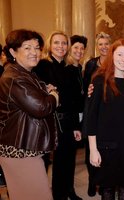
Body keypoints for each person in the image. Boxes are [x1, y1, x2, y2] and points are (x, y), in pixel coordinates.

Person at [0, 29, 59, 200]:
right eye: (27, 48)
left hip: (25, 148)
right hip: (20, 151)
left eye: (37, 47)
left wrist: (46, 93)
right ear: (12, 51)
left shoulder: (26, 73)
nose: (34, 52)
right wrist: (54, 96)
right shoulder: (14, 77)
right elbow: (41, 107)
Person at [84, 38, 124, 200]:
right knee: (107, 189)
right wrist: (93, 150)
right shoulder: (99, 80)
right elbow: (92, 117)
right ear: (112, 55)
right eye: (120, 54)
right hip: (106, 147)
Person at [34, 31, 82, 200]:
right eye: (56, 43)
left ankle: (70, 190)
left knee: (69, 160)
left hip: (69, 121)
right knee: (55, 163)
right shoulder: (42, 66)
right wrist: (46, 89)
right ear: (50, 45)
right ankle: (58, 195)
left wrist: (77, 126)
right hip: (50, 122)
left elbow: (75, 100)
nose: (60, 46)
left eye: (63, 43)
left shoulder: (70, 68)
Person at [83, 31, 111, 197]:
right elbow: (86, 88)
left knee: (105, 151)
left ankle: (104, 183)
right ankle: (93, 181)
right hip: (93, 111)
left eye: (106, 44)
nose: (103, 47)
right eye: (100, 44)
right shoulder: (91, 64)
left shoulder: (117, 62)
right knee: (90, 152)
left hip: (109, 114)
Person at [62, 34, 88, 199]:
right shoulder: (67, 70)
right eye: (76, 47)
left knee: (70, 159)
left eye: (82, 48)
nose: (79, 51)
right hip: (69, 121)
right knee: (65, 160)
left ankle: (68, 189)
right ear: (70, 49)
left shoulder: (79, 69)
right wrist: (74, 126)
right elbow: (68, 100)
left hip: (77, 118)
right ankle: (65, 191)